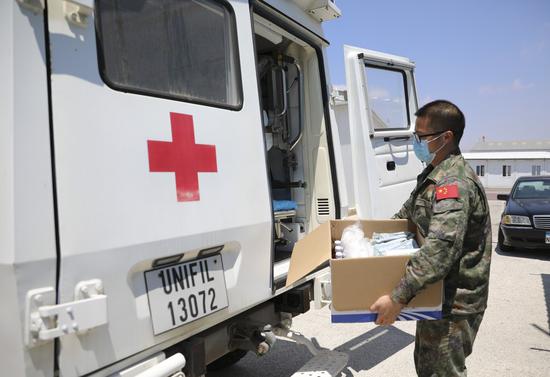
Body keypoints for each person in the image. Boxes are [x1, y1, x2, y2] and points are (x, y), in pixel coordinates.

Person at [370, 100, 492, 377]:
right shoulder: (433, 176)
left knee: (440, 372)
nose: (416, 142)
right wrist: (367, 243)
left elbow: (440, 250)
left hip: (454, 304)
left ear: (446, 137)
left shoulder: (454, 184)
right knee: (427, 368)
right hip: (435, 295)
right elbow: (406, 217)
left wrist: (397, 297)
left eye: (421, 136)